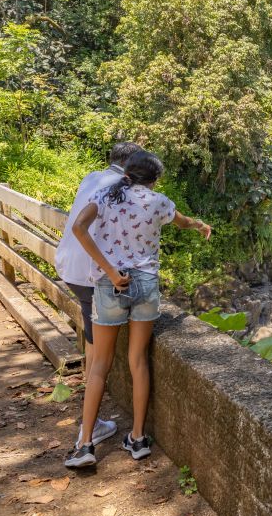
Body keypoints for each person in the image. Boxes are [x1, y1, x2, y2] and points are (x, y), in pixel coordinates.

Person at [64, 150, 211, 468]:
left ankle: (86, 444)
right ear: (155, 178)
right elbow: (184, 223)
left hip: (112, 284)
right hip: (146, 286)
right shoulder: (160, 201)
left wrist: (110, 271)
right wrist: (200, 225)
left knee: (99, 365)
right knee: (138, 361)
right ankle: (139, 439)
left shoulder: (106, 195)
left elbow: (78, 228)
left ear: (126, 173)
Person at [56, 141, 142, 449]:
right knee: (99, 358)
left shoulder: (93, 176)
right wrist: (113, 273)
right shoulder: (123, 186)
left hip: (69, 269)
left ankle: (91, 425)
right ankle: (85, 438)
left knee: (92, 344)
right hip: (93, 276)